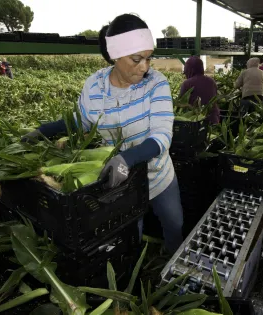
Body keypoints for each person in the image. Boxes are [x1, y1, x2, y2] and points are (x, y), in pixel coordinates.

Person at [22, 14, 183, 253]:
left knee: (174, 223)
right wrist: (41, 132)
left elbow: (162, 136)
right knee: (130, 232)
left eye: (149, 58)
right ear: (114, 55)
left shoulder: (156, 84)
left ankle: (172, 262)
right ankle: (136, 277)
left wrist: (126, 159)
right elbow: (82, 122)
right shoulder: (95, 86)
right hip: (120, 182)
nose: (145, 67)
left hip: (157, 175)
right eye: (136, 59)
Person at [179, 56, 219, 124]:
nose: (186, 75)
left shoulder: (187, 84)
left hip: (196, 123)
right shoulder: (212, 82)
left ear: (190, 70)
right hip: (213, 120)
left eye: (186, 72)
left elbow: (179, 103)